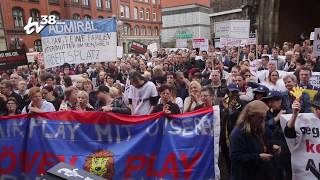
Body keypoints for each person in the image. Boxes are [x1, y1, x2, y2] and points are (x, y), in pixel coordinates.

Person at [229, 100, 280, 180]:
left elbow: (269, 141)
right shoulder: (238, 133)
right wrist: (258, 157)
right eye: (260, 118)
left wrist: (273, 147)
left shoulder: (261, 128)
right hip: (245, 175)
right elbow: (235, 157)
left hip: (263, 174)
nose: (263, 120)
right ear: (250, 116)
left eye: (264, 117)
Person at [263, 91, 291, 180]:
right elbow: (263, 126)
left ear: (280, 101)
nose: (270, 104)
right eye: (269, 101)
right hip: (272, 148)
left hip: (286, 148)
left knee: (288, 172)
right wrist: (275, 119)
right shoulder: (268, 112)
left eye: (273, 101)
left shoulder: (288, 112)